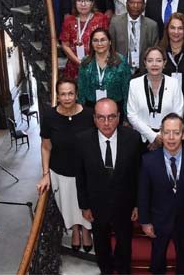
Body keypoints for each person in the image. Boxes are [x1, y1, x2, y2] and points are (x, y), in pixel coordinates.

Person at [75, 99, 141, 275]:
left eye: (111, 117)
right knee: (102, 246)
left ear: (119, 117)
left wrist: (137, 204)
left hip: (125, 205)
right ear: (94, 119)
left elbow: (138, 175)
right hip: (97, 206)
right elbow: (80, 177)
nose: (106, 123)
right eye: (101, 118)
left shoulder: (133, 139)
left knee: (124, 244)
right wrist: (84, 206)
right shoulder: (82, 141)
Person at [138, 113, 184, 275]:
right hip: (158, 221)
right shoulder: (148, 161)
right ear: (161, 134)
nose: (171, 138)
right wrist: (145, 221)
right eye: (167, 132)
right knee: (157, 259)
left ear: (183, 135)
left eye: (176, 133)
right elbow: (143, 194)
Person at [37, 79, 96, 253]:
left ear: (76, 94)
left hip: (85, 172)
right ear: (57, 96)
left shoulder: (89, 114)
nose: (67, 97)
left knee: (85, 204)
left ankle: (86, 231)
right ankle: (75, 231)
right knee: (68, 205)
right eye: (63, 94)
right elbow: (46, 146)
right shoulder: (49, 116)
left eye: (70, 93)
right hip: (60, 172)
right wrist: (45, 173)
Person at [126, 47, 184, 150]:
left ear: (164, 63)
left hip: (168, 138)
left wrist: (161, 136)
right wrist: (152, 137)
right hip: (141, 138)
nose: (154, 64)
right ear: (145, 63)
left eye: (158, 60)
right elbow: (131, 115)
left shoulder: (174, 83)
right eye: (150, 60)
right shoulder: (134, 84)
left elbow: (178, 113)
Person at [77, 28, 131, 117]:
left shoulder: (121, 61)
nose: (99, 44)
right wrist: (81, 115)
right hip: (91, 109)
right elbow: (81, 91)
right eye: (95, 40)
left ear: (109, 42)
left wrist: (126, 116)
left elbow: (127, 90)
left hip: (116, 109)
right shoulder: (85, 62)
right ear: (91, 43)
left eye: (103, 40)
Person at [59, 0, 110, 80]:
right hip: (74, 67)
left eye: (86, 0)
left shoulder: (101, 18)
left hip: (97, 65)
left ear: (92, 3)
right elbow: (65, 45)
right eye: (79, 0)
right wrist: (78, 62)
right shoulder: (69, 21)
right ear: (75, 3)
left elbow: (106, 42)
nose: (83, 4)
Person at [109, 0, 159, 75]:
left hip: (143, 72)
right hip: (119, 71)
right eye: (132, 2)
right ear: (127, 4)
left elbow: (155, 51)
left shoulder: (152, 25)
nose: (135, 6)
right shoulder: (115, 23)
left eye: (139, 3)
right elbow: (110, 48)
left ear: (144, 5)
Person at [158, 12, 184, 92]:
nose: (176, 32)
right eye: (172, 28)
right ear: (167, 29)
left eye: (180, 28)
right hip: (164, 100)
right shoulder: (158, 52)